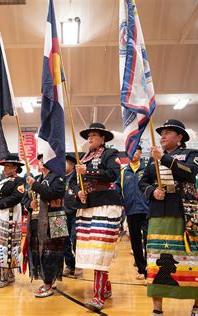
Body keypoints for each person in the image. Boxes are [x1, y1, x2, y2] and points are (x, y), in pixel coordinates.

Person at [138, 119, 198, 316]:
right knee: (156, 258)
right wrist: (152, 191)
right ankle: (157, 309)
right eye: (162, 132)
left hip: (185, 213)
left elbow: (189, 173)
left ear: (180, 138)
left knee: (193, 258)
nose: (163, 135)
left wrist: (165, 158)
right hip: (159, 214)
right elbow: (142, 182)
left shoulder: (191, 154)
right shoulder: (151, 159)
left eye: (168, 132)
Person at [74, 122, 123, 311]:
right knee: (92, 249)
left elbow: (112, 174)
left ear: (103, 138)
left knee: (101, 249)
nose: (90, 138)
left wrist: (89, 172)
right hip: (88, 206)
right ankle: (106, 286)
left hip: (106, 205)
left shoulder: (110, 154)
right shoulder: (84, 157)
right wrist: (79, 191)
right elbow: (77, 182)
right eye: (88, 136)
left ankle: (99, 296)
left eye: (94, 135)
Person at [26, 155, 66, 298]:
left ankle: (49, 282)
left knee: (51, 252)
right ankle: (47, 279)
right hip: (37, 219)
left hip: (55, 219)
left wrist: (35, 185)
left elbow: (52, 193)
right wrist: (29, 204)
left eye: (45, 159)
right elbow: (26, 197)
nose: (41, 162)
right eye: (40, 160)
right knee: (39, 251)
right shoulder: (37, 178)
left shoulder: (58, 178)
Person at [0, 155, 25, 289]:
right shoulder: (1, 181)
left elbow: (17, 197)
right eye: (4, 166)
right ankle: (8, 275)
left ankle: (4, 277)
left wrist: (0, 204)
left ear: (15, 167)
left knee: (6, 243)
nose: (5, 168)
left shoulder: (19, 181)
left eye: (8, 166)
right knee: (0, 242)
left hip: (9, 214)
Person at [116, 145, 149, 283]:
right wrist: (123, 203)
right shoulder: (124, 172)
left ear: (141, 153)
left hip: (147, 210)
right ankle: (141, 270)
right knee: (135, 243)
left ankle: (150, 270)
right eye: (130, 151)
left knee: (149, 242)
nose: (133, 153)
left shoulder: (147, 169)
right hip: (131, 211)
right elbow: (118, 189)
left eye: (135, 150)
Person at [62, 153, 83, 278]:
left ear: (72, 164)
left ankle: (79, 266)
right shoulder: (60, 178)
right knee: (64, 240)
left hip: (76, 213)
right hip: (62, 213)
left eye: (65, 162)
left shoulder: (77, 177)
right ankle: (69, 265)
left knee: (75, 239)